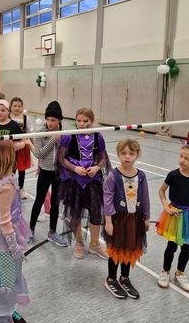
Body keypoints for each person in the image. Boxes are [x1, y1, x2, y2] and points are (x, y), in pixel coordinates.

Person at [0, 140, 32, 323]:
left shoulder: (4, 178)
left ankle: (6, 310)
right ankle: (0, 316)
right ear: (8, 158)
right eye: (13, 153)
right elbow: (5, 222)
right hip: (5, 242)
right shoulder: (6, 186)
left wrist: (24, 142)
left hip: (7, 238)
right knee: (4, 280)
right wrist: (15, 247)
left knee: (5, 278)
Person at [156, 133, 189, 292]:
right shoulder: (173, 175)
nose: (181, 160)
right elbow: (161, 191)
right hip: (175, 214)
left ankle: (180, 273)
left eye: (187, 158)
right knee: (171, 245)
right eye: (181, 156)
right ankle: (165, 271)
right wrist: (166, 206)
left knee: (187, 247)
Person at [58, 108, 112, 260]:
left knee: (95, 213)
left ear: (91, 121)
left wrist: (96, 167)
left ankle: (95, 244)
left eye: (85, 121)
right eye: (79, 120)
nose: (81, 124)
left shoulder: (98, 137)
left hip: (93, 181)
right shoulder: (69, 137)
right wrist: (75, 168)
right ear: (75, 120)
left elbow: (103, 158)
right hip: (74, 181)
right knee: (75, 212)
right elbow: (62, 159)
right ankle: (79, 242)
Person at [103, 139, 150, 299]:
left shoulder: (141, 176)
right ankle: (111, 279)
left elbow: (145, 198)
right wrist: (108, 221)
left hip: (134, 220)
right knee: (116, 250)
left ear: (137, 155)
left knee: (129, 248)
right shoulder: (113, 176)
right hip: (118, 220)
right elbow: (107, 199)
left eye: (131, 153)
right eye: (124, 153)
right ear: (118, 154)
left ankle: (124, 278)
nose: (127, 157)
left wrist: (146, 218)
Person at [27, 101, 68, 247]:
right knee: (39, 200)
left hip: (58, 173)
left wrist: (61, 140)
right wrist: (52, 140)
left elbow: (67, 154)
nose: (50, 123)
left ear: (59, 121)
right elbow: (39, 154)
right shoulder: (40, 134)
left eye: (54, 120)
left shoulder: (64, 135)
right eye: (48, 119)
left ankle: (52, 232)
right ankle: (30, 230)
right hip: (45, 172)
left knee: (56, 203)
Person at [10, 97, 34, 200]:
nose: (17, 108)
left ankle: (21, 188)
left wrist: (32, 145)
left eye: (19, 106)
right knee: (11, 169)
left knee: (22, 169)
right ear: (11, 107)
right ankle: (11, 188)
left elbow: (30, 133)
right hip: (10, 147)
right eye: (15, 106)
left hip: (23, 147)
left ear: (22, 107)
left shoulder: (25, 118)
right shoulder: (8, 117)